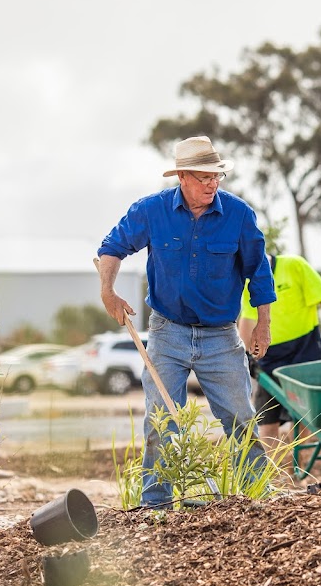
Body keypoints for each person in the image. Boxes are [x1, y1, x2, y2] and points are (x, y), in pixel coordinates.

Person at [96, 136, 276, 508]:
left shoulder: (240, 216)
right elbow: (111, 248)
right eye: (204, 176)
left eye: (217, 175)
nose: (213, 183)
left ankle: (257, 498)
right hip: (167, 333)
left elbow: (259, 271)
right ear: (181, 176)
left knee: (241, 419)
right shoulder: (151, 211)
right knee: (161, 422)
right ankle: (156, 505)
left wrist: (263, 324)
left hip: (221, 338)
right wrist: (107, 291)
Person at [238, 253, 321, 454]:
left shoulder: (294, 265)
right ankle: (269, 475)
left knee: (305, 416)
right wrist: (246, 355)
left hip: (305, 351)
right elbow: (248, 319)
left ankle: (302, 467)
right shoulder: (249, 281)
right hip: (271, 358)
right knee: (266, 418)